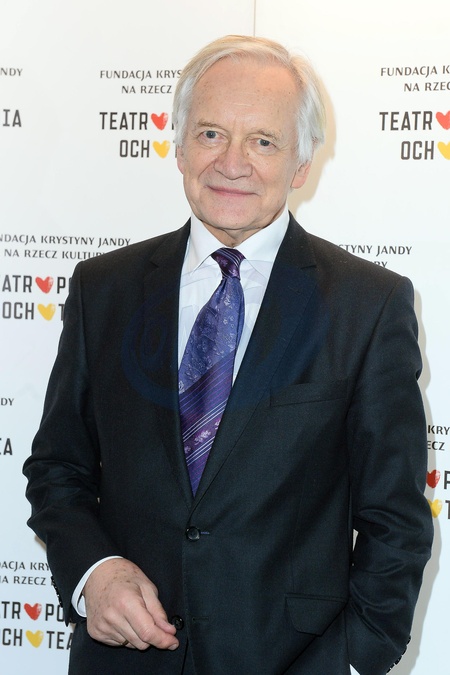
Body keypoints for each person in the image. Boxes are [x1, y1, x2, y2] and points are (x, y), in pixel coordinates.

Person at [23, 35, 433, 675]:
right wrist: (92, 572)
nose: (232, 163)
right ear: (179, 145)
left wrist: (354, 661)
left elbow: (396, 520)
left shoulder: (369, 306)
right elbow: (57, 468)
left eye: (263, 141)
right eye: (211, 134)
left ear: (300, 164)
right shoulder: (103, 289)